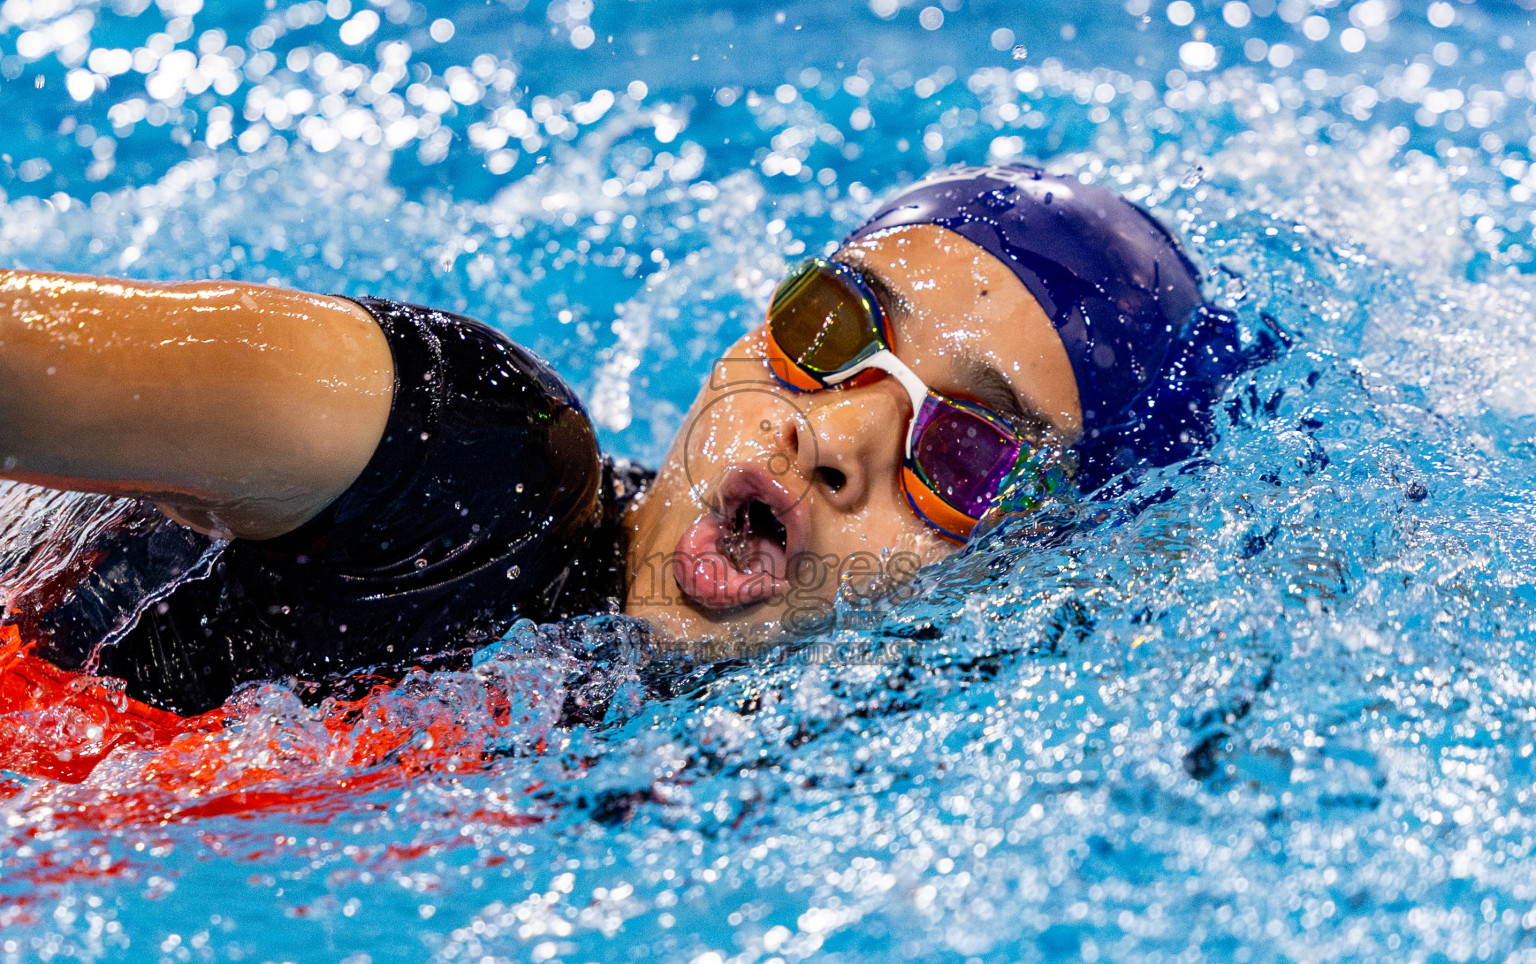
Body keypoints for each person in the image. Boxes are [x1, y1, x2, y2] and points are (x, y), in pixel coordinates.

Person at [0, 164, 1248, 718]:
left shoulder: (820, 762)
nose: (832, 434)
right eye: (834, 326)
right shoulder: (458, 461)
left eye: (965, 454)